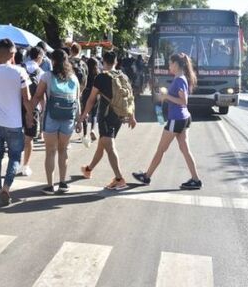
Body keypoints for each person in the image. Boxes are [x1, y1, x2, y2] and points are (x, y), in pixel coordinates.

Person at [132, 53, 202, 189]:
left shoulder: (179, 79)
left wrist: (167, 96)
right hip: (184, 118)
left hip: (177, 119)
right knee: (185, 150)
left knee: (161, 149)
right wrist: (166, 97)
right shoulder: (180, 78)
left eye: (170, 63)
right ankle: (196, 180)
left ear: (176, 64)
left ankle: (146, 177)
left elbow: (184, 101)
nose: (169, 66)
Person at [0, 39, 33, 206]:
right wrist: (30, 115)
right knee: (15, 156)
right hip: (14, 122)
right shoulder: (19, 72)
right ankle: (6, 187)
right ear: (12, 54)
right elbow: (27, 98)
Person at [77, 51, 137, 190]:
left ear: (103, 62)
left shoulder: (101, 77)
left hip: (106, 116)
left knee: (109, 146)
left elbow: (91, 99)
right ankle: (88, 169)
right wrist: (132, 116)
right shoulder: (123, 76)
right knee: (103, 144)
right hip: (120, 115)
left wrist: (83, 116)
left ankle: (119, 179)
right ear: (116, 62)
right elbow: (130, 98)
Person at [31, 49, 81, 195]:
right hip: (68, 119)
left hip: (51, 117)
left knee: (50, 151)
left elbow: (38, 95)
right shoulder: (73, 78)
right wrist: (78, 120)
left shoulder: (47, 76)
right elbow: (77, 100)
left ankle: (50, 186)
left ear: (53, 61)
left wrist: (30, 112)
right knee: (63, 150)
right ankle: (63, 183)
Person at [21, 46, 45, 176]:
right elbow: (41, 93)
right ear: (39, 57)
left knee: (16, 135)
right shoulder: (40, 72)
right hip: (33, 107)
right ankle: (25, 166)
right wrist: (43, 108)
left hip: (18, 105)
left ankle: (14, 163)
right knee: (29, 138)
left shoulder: (20, 67)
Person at [81, 57, 100, 146]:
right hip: (95, 94)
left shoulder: (85, 71)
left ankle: (85, 134)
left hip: (86, 93)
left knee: (85, 112)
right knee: (94, 114)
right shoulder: (97, 73)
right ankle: (92, 129)